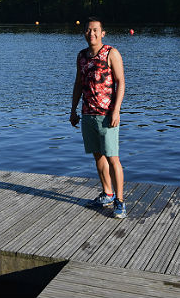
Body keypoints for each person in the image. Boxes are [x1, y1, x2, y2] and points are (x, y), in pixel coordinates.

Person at [70, 16, 126, 218]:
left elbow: (121, 83)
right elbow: (78, 83)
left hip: (107, 115)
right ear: (84, 32)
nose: (91, 33)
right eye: (88, 30)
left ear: (102, 33)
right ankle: (107, 193)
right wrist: (73, 110)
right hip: (88, 114)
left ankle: (120, 201)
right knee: (98, 156)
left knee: (113, 158)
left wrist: (116, 110)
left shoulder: (111, 53)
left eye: (95, 30)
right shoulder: (82, 56)